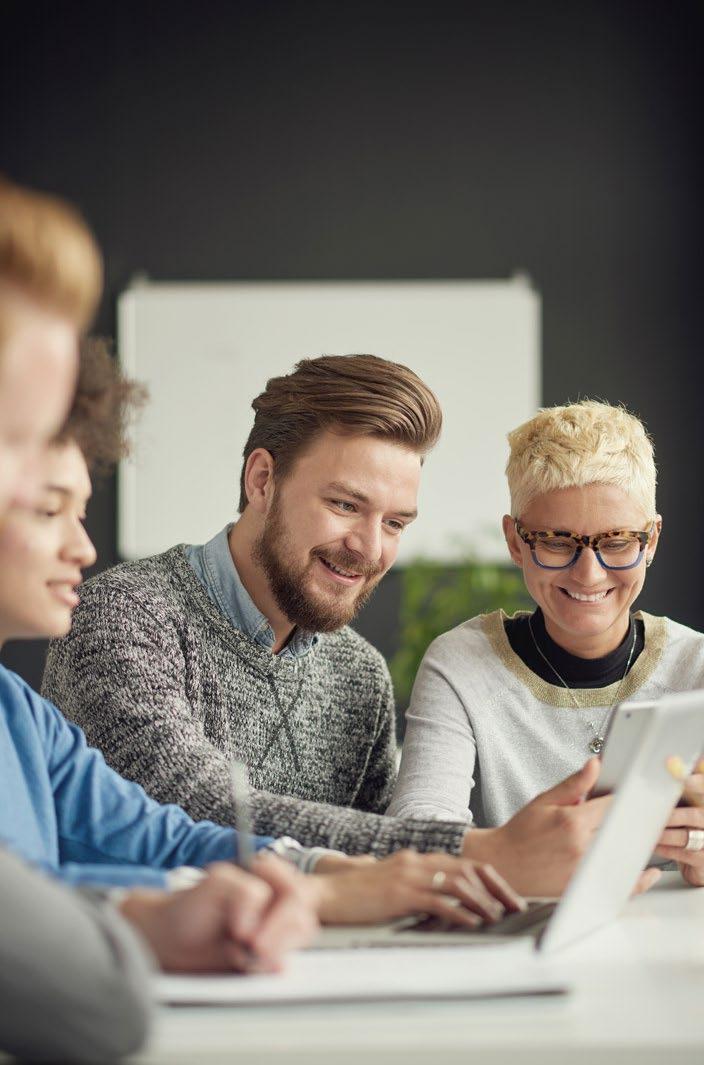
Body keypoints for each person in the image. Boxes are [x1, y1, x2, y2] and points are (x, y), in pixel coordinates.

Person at [0, 336, 524, 918]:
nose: (370, 549)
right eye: (346, 505)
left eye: (395, 522)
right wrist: (475, 849)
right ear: (261, 481)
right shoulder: (122, 617)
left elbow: (389, 884)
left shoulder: (361, 676)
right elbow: (190, 808)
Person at [0, 179, 315, 1062]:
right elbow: (93, 1001)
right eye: (18, 438)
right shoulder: (130, 616)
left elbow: (130, 849)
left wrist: (304, 878)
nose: (39, 490)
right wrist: (144, 916)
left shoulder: (14, 711)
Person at [389, 400, 704, 890]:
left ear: (652, 541)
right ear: (515, 542)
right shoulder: (461, 665)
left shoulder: (696, 666)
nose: (589, 574)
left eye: (618, 541)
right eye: (557, 542)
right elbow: (416, 834)